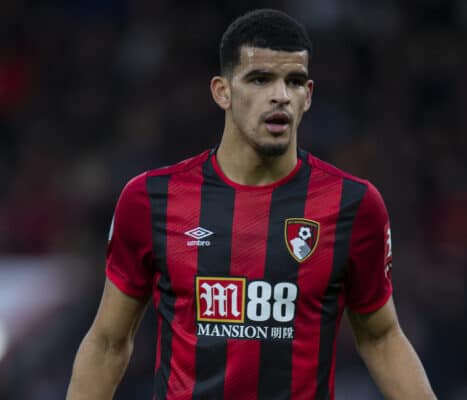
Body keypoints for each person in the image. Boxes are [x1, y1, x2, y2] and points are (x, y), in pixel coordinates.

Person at [66, 9, 436, 400]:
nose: (279, 95)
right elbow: (108, 343)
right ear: (222, 91)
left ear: (307, 96)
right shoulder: (149, 199)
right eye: (260, 79)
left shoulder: (353, 204)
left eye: (293, 81)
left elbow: (381, 338)